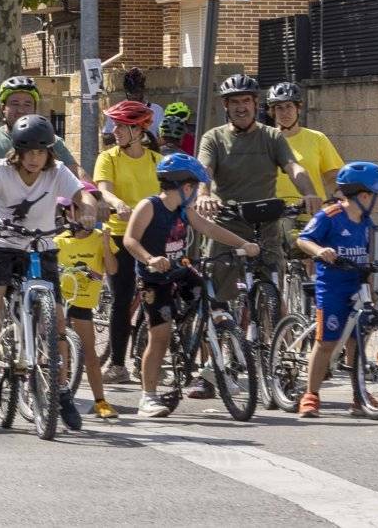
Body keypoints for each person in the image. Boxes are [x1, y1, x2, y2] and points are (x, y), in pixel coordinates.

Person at [0, 113, 84, 427]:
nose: (34, 158)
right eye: (28, 152)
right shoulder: (0, 170)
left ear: (49, 153)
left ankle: (60, 388)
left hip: (41, 246)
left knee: (56, 317)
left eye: (40, 152)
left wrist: (86, 210)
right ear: (17, 150)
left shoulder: (57, 173)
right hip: (0, 243)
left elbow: (83, 196)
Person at [123, 152, 257, 417]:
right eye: (195, 187)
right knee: (160, 336)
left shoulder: (184, 209)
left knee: (213, 304)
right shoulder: (149, 206)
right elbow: (130, 240)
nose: (197, 193)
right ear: (185, 187)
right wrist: (151, 259)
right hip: (154, 278)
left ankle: (214, 366)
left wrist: (242, 244)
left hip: (180, 270)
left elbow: (210, 229)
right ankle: (148, 397)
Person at [194, 73, 317, 306]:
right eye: (235, 102)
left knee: (272, 290)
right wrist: (203, 195)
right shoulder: (214, 138)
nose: (241, 107)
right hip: (227, 224)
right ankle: (225, 332)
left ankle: (280, 338)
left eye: (246, 101)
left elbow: (293, 167)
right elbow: (204, 171)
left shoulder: (272, 136)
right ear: (226, 106)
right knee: (219, 293)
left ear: (256, 104)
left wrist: (309, 192)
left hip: (265, 224)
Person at [293, 161, 378, 417]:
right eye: (377, 195)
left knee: (357, 342)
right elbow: (303, 239)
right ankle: (311, 394)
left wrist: (371, 287)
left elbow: (368, 256)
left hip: (357, 287)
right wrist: (320, 251)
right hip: (332, 287)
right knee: (326, 342)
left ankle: (358, 395)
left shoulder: (367, 222)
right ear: (363, 196)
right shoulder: (330, 216)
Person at [91, 98, 160, 384]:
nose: (115, 130)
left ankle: (144, 359)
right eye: (114, 125)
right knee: (121, 297)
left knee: (152, 297)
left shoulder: (157, 161)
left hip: (150, 235)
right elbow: (103, 190)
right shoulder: (108, 158)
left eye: (121, 126)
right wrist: (117, 203)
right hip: (119, 234)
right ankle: (117, 365)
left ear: (138, 130)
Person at [60, 186, 114, 421]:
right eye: (81, 210)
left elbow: (112, 269)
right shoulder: (58, 241)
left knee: (89, 352)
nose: (87, 216)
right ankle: (56, 392)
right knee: (57, 350)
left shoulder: (99, 238)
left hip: (83, 302)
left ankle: (100, 400)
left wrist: (104, 244)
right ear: (68, 214)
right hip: (61, 302)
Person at [263, 83, 341, 215]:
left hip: (312, 215)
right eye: (279, 108)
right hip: (273, 217)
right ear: (272, 112)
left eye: (289, 106)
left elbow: (332, 176)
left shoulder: (317, 138)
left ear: (298, 108)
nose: (285, 112)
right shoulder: (263, 140)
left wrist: (341, 195)